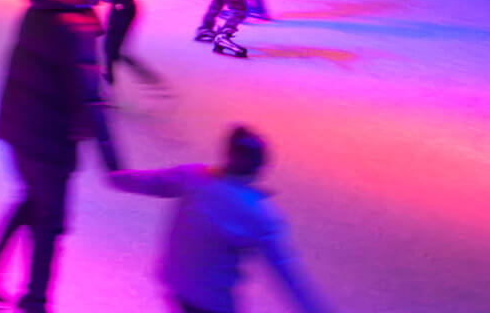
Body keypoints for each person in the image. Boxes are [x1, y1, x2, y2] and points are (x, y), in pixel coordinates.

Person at [0, 0, 123, 313]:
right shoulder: (76, 26)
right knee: (50, 219)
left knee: (32, 201)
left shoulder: (40, 9)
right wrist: (112, 160)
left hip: (17, 125)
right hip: (49, 136)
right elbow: (89, 96)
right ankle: (35, 300)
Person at [104, 126, 334, 313]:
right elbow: (286, 272)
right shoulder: (258, 213)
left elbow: (149, 181)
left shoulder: (193, 177)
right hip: (213, 301)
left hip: (177, 285)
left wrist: (117, 178)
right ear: (260, 167)